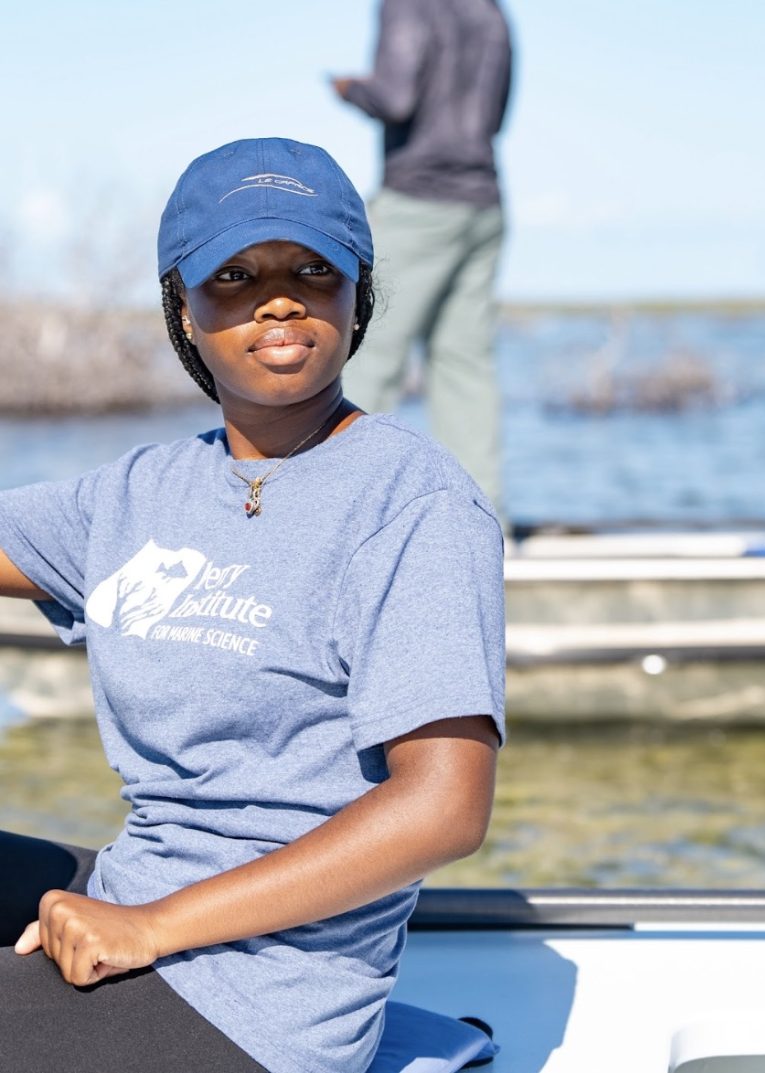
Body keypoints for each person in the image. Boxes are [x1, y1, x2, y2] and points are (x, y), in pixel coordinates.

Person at [0, 138, 506, 1073]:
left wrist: (152, 926)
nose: (279, 299)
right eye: (234, 275)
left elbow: (445, 807)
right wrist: (135, 909)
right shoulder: (143, 490)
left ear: (360, 294)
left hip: (265, 991)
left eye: (313, 269)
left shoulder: (413, 504)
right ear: (184, 312)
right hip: (137, 887)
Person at [332, 0, 514, 527]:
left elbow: (394, 95)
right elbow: (496, 117)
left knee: (365, 353)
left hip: (417, 201)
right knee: (466, 368)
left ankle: (345, 517)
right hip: (484, 202)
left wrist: (348, 89)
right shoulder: (493, 13)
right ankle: (482, 525)